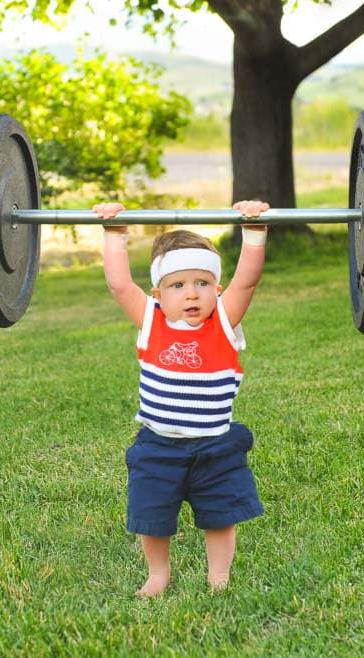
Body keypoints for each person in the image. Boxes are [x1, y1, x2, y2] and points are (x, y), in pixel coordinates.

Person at [96, 200, 269, 598]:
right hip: (159, 445)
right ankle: (158, 574)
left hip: (215, 445)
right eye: (178, 285)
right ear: (158, 292)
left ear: (216, 289)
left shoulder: (223, 323)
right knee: (152, 518)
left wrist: (254, 230)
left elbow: (247, 281)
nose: (191, 294)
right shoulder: (152, 321)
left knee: (220, 516)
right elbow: (120, 285)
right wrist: (115, 234)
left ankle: (219, 576)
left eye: (202, 283)